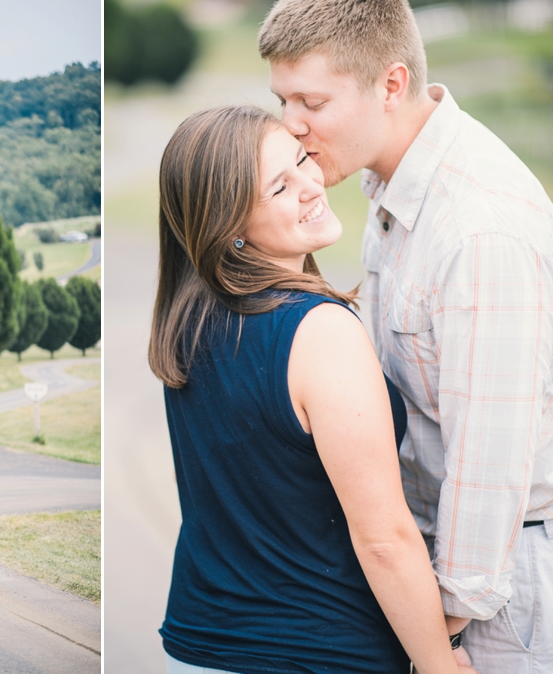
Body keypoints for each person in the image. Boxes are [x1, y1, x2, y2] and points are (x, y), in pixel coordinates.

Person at [259, 1, 553, 671]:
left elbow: (490, 467)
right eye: (283, 100)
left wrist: (436, 639)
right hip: (432, 571)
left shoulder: (478, 231)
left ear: (390, 86)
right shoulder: (389, 180)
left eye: (311, 101)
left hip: (494, 598)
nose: (292, 129)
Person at [150, 105, 477, 673]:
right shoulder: (319, 330)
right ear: (228, 227)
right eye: (279, 186)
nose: (311, 185)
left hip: (202, 644)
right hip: (319, 652)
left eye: (301, 160)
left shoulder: (188, 321)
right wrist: (439, 665)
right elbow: (383, 538)